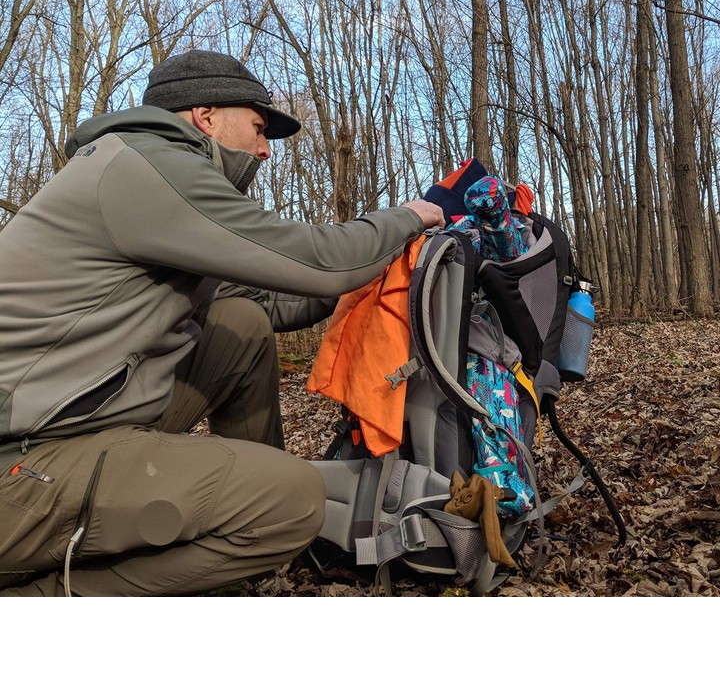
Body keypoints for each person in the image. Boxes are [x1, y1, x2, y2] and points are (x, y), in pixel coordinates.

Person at [0, 49, 444, 596]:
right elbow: (324, 259)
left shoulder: (149, 179)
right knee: (293, 502)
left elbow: (274, 304)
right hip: (20, 467)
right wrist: (410, 216)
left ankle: (249, 523)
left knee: (241, 326)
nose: (263, 150)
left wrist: (362, 286)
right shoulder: (147, 168)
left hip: (75, 424)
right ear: (205, 117)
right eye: (258, 129)